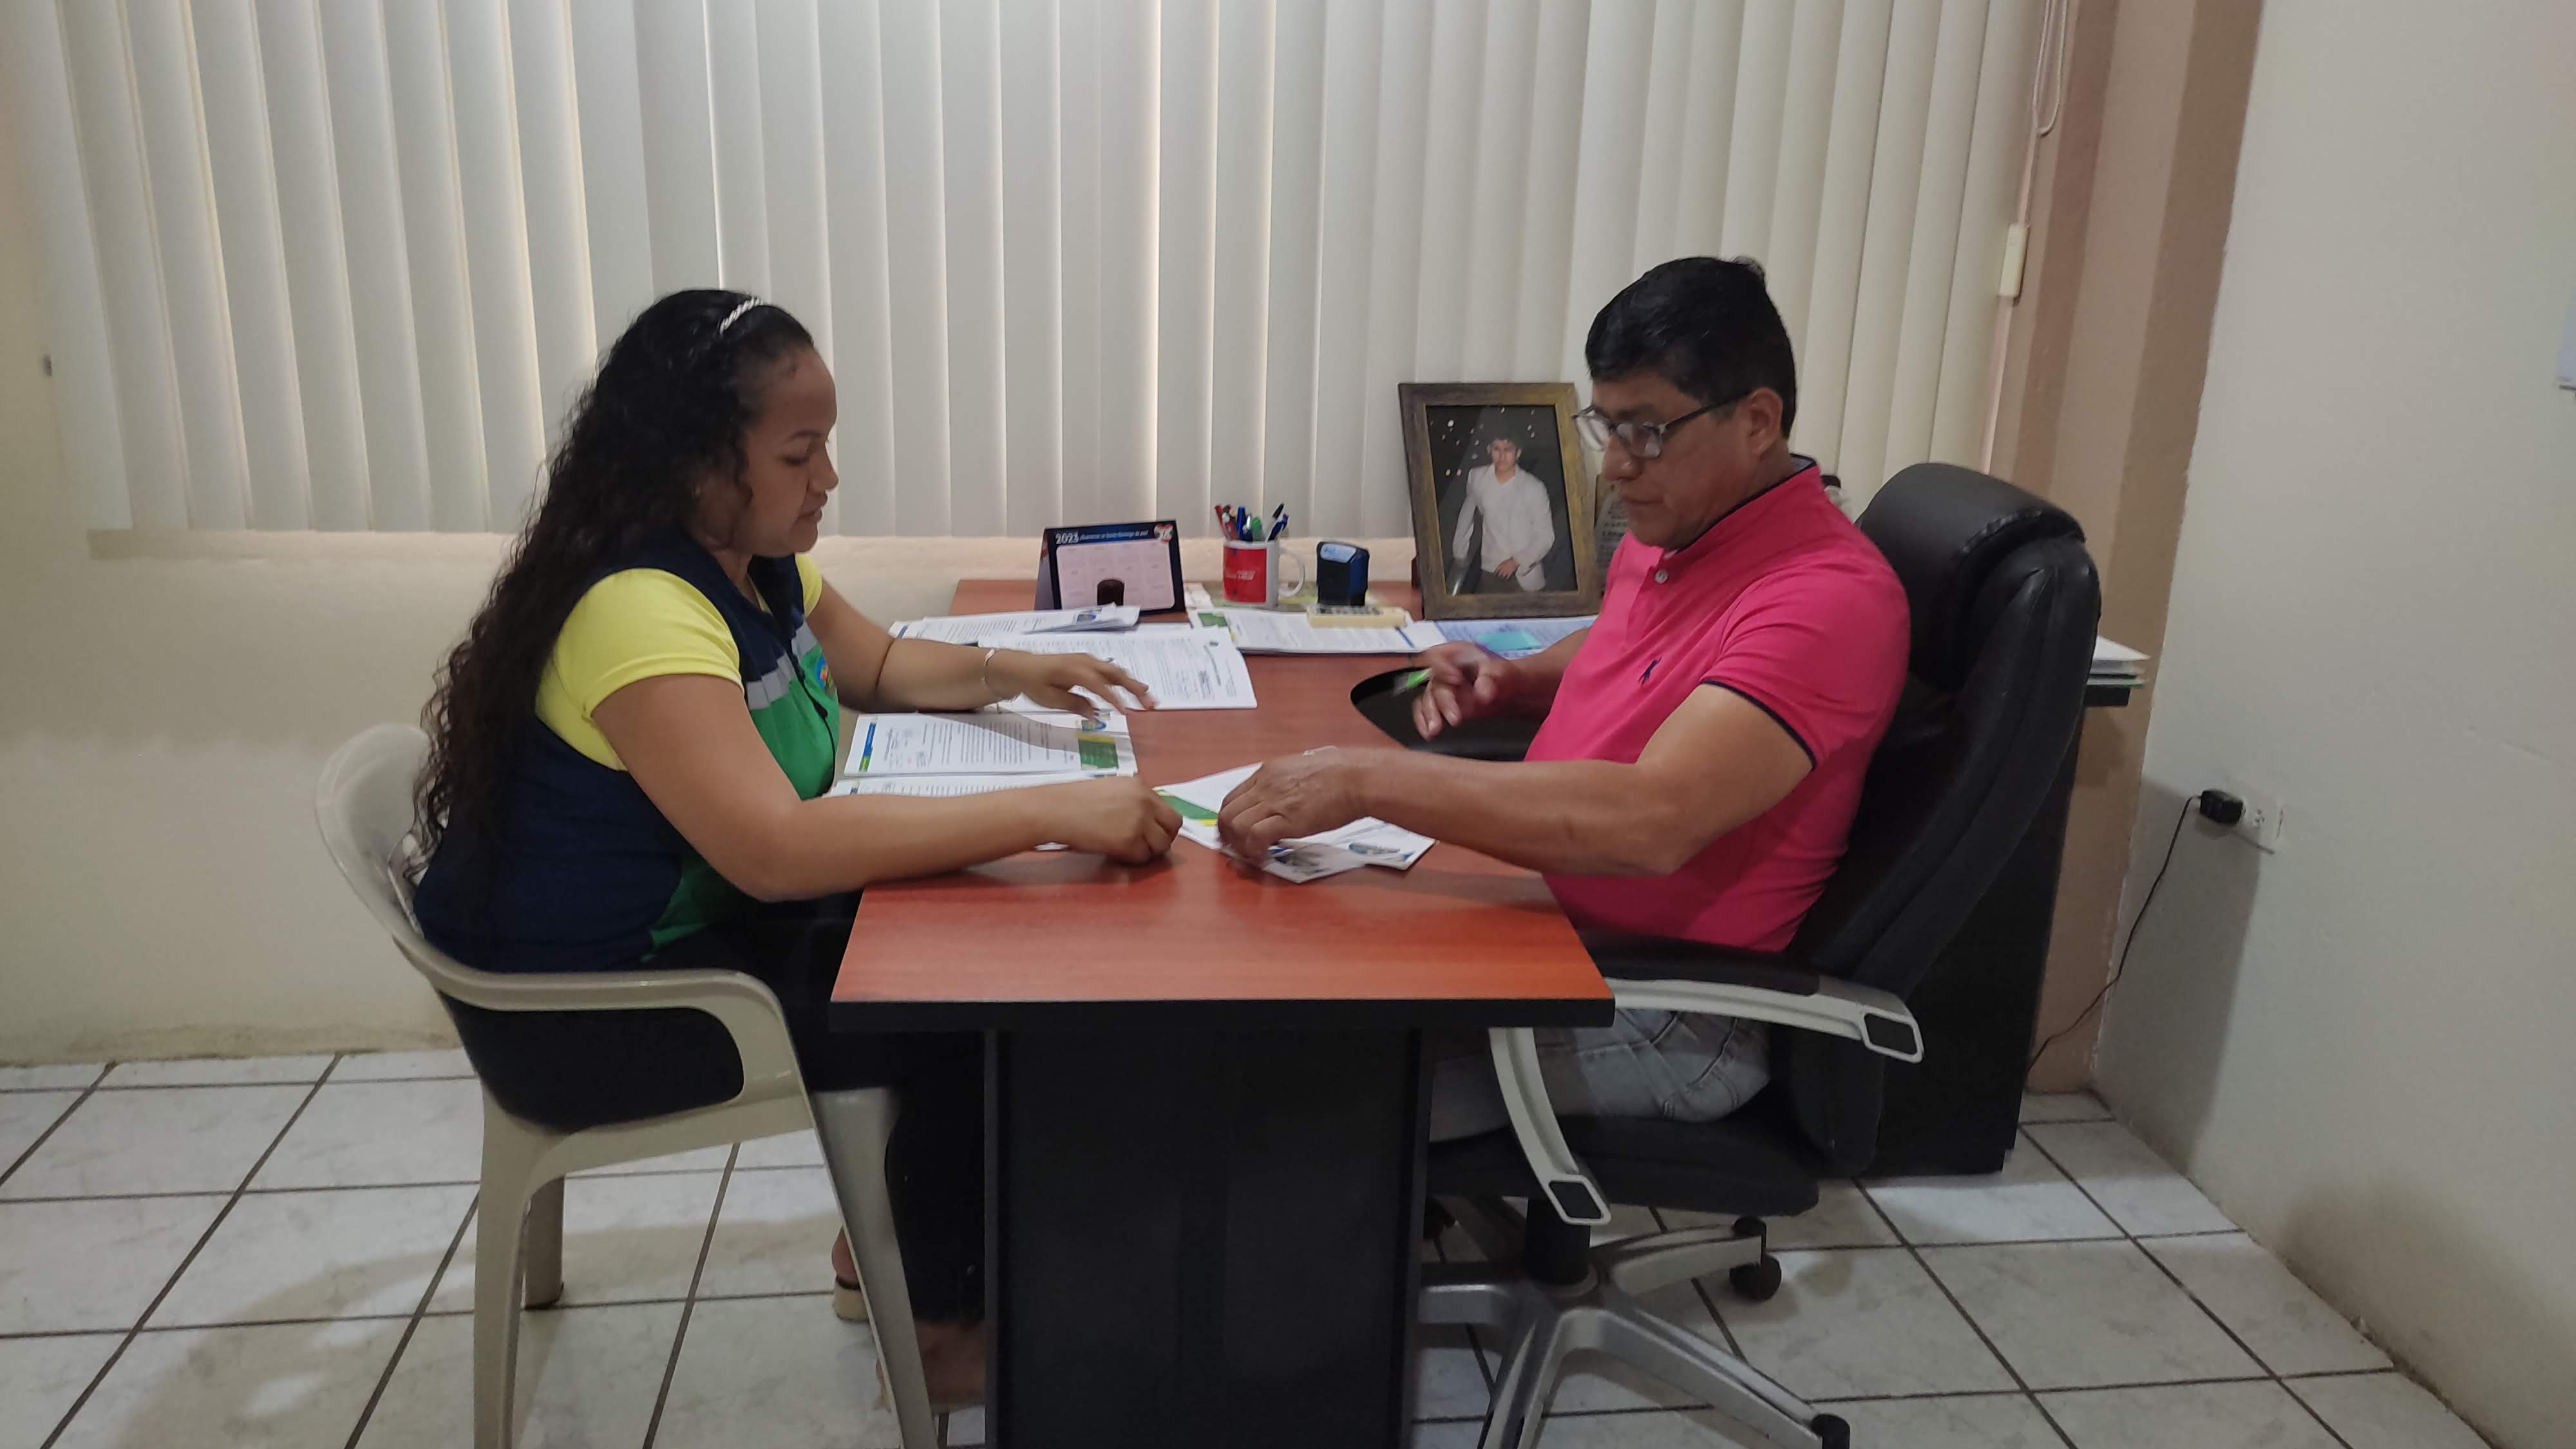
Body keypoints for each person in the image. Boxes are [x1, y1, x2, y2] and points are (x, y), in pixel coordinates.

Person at [410, 289, 1182, 1404]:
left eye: (826, 445)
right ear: (696, 462)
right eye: (798, 452)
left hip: (686, 932)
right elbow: (774, 851)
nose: (828, 477)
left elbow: (876, 665)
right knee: (966, 996)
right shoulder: (641, 610)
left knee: (958, 934)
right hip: (594, 1008)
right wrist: (1052, 809)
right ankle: (942, 1332)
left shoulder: (752, 558)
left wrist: (1016, 669)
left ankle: (892, 1253)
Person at [1218, 258, 1909, 1139]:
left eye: (1646, 432)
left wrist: (1361, 781)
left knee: (1289, 1101)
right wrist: (1522, 679)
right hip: (1542, 916)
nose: (1615, 465)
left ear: (1757, 421)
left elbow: (1653, 820)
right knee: (1270, 984)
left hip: (1659, 1007)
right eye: (1607, 427)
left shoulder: (1826, 599)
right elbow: (1638, 648)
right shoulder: (1684, 524)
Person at [1448, 424, 1560, 594]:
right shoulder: (1477, 478)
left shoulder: (1534, 487)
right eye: (1497, 449)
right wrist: (1459, 553)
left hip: (1525, 574)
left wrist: (1516, 561)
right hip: (1490, 570)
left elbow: (1546, 536)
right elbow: (1466, 516)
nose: (1502, 456)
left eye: (1508, 450)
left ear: (1518, 453)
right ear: (1489, 450)